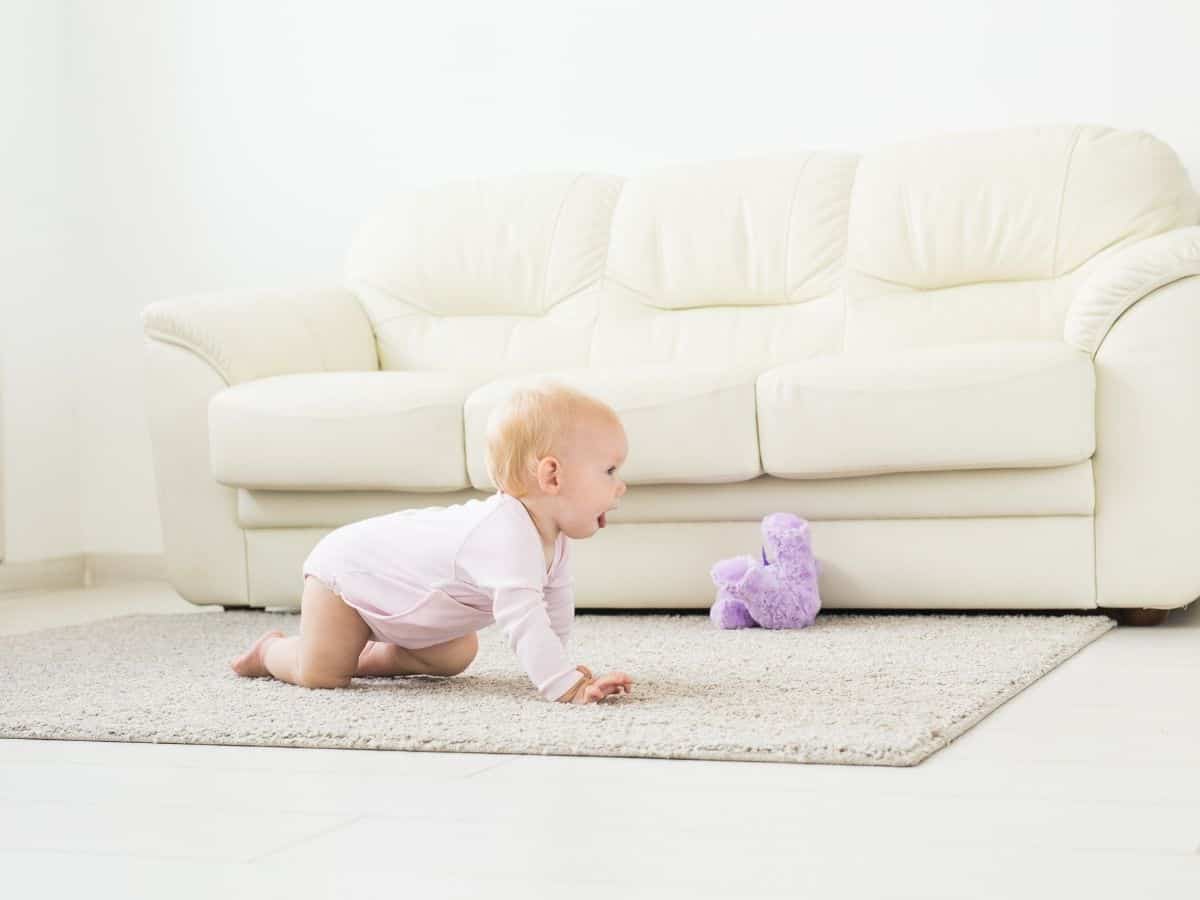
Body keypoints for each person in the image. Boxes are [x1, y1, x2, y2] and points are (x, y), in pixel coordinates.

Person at [231, 382, 633, 704]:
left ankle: (361, 653)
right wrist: (564, 687)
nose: (621, 486)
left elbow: (553, 610)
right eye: (610, 471)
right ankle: (272, 652)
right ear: (552, 477)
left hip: (407, 608)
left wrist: (560, 666)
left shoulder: (552, 540)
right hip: (346, 578)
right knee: (322, 675)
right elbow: (525, 621)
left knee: (454, 655)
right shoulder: (504, 536)